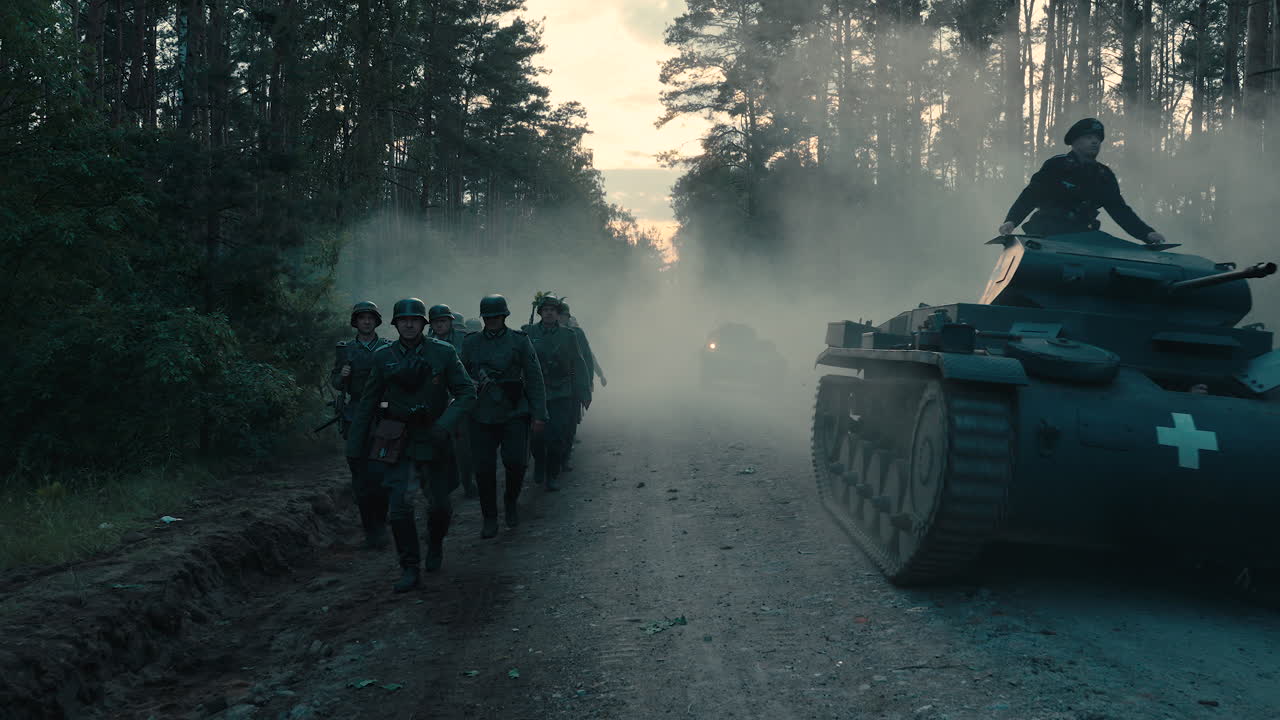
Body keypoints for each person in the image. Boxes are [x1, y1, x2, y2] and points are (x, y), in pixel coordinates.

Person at [345, 298, 477, 592]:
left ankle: (435, 545)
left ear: (423, 323)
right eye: (403, 320)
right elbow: (367, 403)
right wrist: (355, 446)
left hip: (434, 438)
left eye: (414, 320)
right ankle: (409, 567)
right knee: (400, 509)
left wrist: (444, 425)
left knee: (440, 507)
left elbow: (467, 392)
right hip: (398, 441)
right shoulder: (383, 356)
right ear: (394, 323)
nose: (408, 324)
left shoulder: (443, 353)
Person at [460, 295, 549, 537]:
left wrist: (539, 413)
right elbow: (458, 376)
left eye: (496, 316)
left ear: (504, 316)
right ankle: (489, 517)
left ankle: (510, 502)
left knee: (516, 462)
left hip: (514, 411)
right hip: (481, 413)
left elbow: (534, 377)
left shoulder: (519, 341)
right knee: (484, 469)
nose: (492, 321)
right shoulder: (470, 343)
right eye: (488, 317)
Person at [999, 118, 1168, 245]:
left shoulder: (1104, 175)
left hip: (1084, 238)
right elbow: (1030, 195)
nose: (1095, 141)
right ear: (1074, 142)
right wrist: (1012, 220)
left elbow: (1120, 210)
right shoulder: (1057, 165)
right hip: (1047, 234)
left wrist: (1147, 234)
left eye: (1097, 138)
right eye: (1088, 137)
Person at [330, 301, 394, 549]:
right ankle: (371, 530)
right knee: (360, 477)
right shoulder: (346, 350)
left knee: (382, 474)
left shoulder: (387, 348)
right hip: (355, 416)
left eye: (370, 318)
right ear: (355, 322)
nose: (366, 322)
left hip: (383, 416)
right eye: (361, 318)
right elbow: (336, 382)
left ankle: (381, 523)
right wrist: (341, 376)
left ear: (376, 322)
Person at [523, 295, 590, 492]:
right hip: (536, 392)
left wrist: (584, 390)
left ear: (558, 313)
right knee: (536, 438)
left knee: (558, 436)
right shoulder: (528, 333)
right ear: (540, 313)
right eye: (545, 310)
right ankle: (540, 465)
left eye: (553, 310)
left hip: (561, 392)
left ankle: (551, 475)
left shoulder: (569, 335)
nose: (550, 313)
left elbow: (578, 363)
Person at [428, 304, 478, 498]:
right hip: (436, 399)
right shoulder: (426, 343)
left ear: (450, 322)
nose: (440, 325)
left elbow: (475, 363)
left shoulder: (464, 340)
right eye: (436, 322)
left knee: (463, 445)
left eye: (443, 321)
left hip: (460, 397)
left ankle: (467, 481)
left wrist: (473, 381)